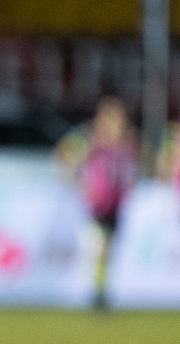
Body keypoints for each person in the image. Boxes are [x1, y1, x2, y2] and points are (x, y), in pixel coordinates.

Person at [56, 97, 138, 309]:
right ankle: (96, 291)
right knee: (98, 246)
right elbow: (64, 154)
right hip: (96, 202)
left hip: (116, 203)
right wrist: (78, 179)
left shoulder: (127, 141)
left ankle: (102, 289)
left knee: (109, 249)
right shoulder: (90, 137)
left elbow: (133, 168)